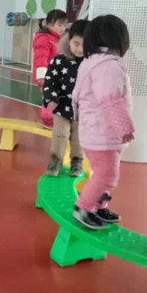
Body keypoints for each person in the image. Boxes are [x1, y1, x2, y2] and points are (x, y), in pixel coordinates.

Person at [71, 15, 134, 230]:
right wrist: (123, 127)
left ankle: (98, 205)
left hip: (97, 130)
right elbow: (111, 100)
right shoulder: (107, 66)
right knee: (107, 175)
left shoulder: (93, 62)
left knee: (106, 173)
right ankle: (84, 208)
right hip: (102, 131)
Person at [43, 19, 88, 177]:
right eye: (76, 44)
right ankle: (55, 162)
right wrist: (51, 98)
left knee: (78, 138)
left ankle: (77, 162)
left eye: (84, 45)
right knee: (60, 135)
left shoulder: (91, 64)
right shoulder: (59, 61)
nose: (80, 49)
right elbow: (50, 83)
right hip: (61, 107)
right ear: (69, 41)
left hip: (83, 110)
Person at [33, 9, 67, 126]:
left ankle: (53, 120)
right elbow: (40, 58)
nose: (62, 28)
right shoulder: (44, 38)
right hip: (47, 77)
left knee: (57, 99)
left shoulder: (59, 39)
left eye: (64, 25)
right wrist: (42, 77)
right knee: (49, 99)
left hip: (57, 76)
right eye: (59, 25)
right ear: (49, 25)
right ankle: (48, 121)